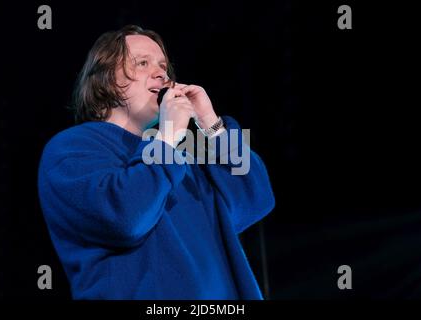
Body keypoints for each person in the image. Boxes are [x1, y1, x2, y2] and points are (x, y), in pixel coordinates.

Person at [38, 24, 275, 299]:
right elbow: (125, 218)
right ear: (105, 79)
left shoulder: (182, 156)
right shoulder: (71, 147)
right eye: (142, 63)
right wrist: (168, 137)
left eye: (163, 65)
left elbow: (255, 199)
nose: (161, 73)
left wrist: (211, 125)